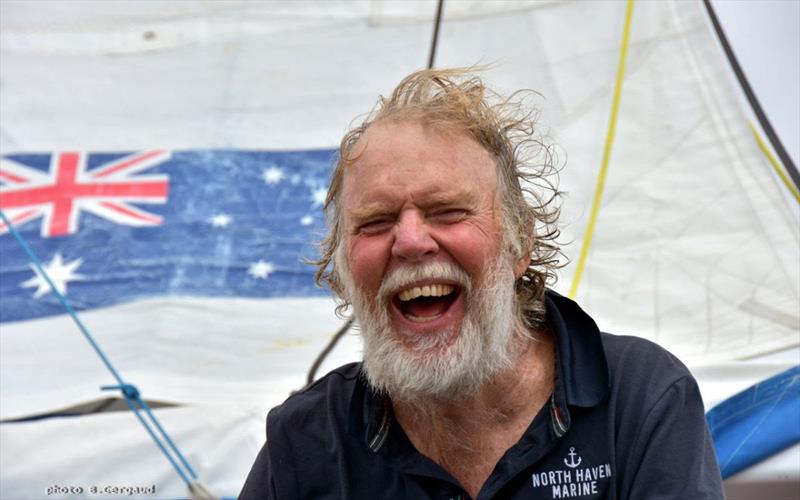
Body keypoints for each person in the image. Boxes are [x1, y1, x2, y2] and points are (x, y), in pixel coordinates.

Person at [240, 68, 724, 499]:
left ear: (520, 244)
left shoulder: (640, 397)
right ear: (342, 265)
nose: (409, 241)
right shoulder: (305, 440)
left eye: (448, 212)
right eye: (375, 221)